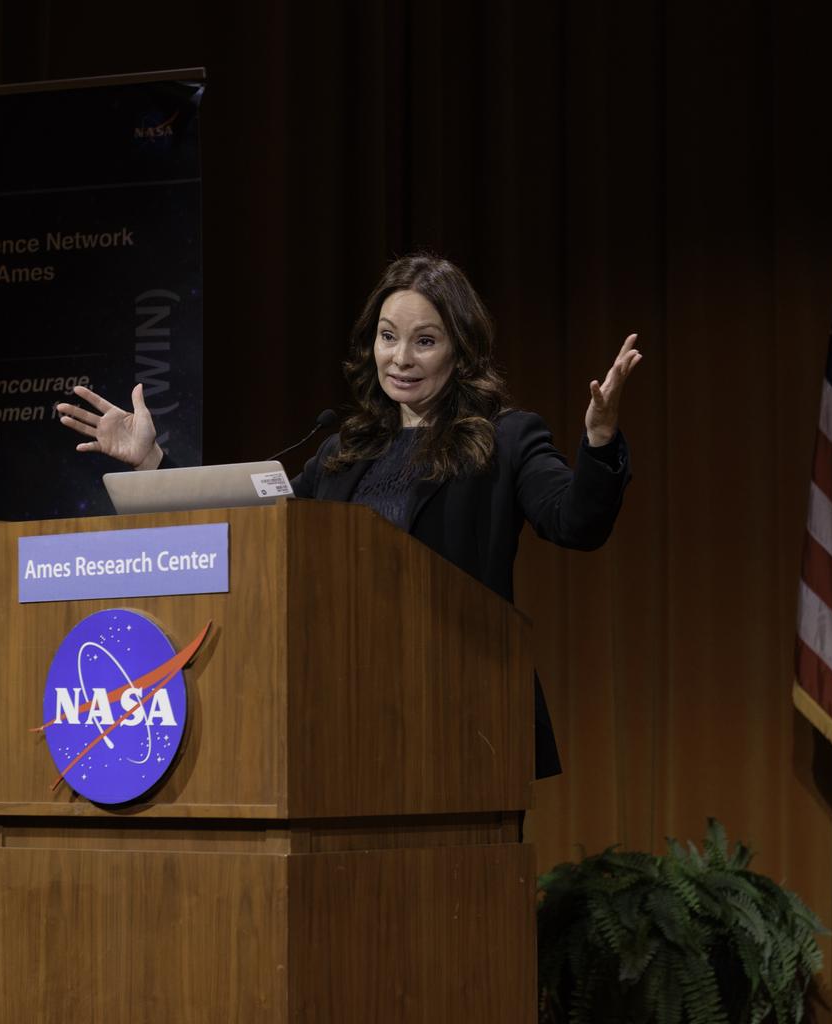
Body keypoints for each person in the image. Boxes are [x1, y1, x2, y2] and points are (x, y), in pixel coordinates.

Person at [57, 252, 640, 778]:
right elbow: (259, 536)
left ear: (461, 350)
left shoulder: (506, 439)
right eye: (388, 337)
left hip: (463, 716)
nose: (401, 359)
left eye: (425, 341)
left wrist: (599, 438)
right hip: (344, 714)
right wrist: (153, 462)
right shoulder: (342, 451)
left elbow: (576, 523)